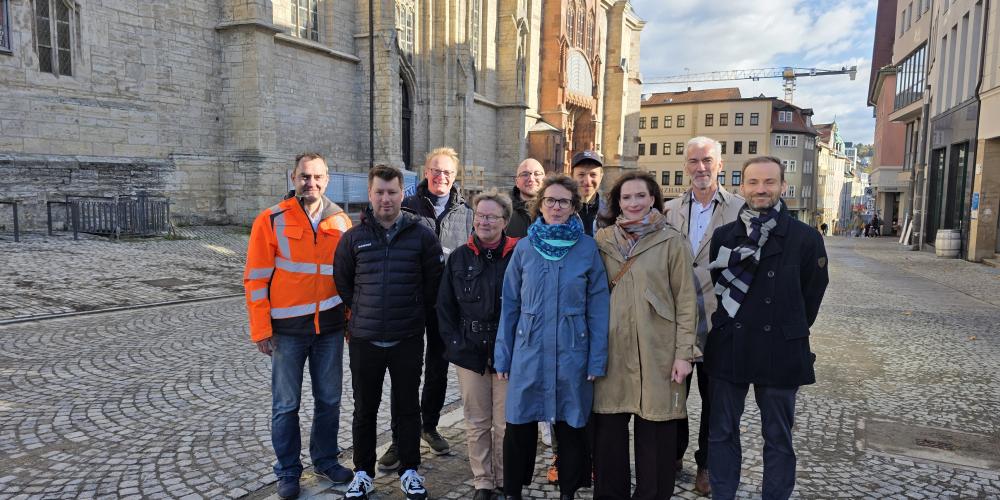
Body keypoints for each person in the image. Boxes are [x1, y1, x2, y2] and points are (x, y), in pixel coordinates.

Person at [706, 156, 829, 500]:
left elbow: (812, 293)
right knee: (721, 432)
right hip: (731, 343)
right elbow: (721, 287)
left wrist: (788, 330)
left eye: (769, 182)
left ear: (782, 187)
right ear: (741, 187)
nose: (761, 189)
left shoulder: (805, 238)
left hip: (781, 348)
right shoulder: (724, 236)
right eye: (754, 182)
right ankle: (722, 494)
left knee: (778, 436)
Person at [243, 153, 355, 499]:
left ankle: (324, 459)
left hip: (331, 330)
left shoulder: (341, 221)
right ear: (293, 178)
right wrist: (261, 329)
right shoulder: (271, 219)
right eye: (305, 176)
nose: (312, 183)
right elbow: (256, 278)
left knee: (330, 400)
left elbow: (349, 277)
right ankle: (288, 471)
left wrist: (350, 322)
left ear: (327, 180)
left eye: (318, 177)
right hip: (287, 331)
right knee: (286, 405)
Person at [495, 174, 610, 500]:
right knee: (518, 424)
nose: (556, 207)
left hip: (573, 351)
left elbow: (598, 307)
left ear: (574, 207)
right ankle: (513, 491)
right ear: (540, 204)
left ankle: (568, 492)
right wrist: (503, 354)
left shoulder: (588, 249)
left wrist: (597, 357)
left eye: (564, 201)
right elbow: (510, 304)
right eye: (550, 200)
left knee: (571, 426)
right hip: (529, 350)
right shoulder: (526, 248)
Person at [334, 165, 444, 500]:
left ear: (402, 194)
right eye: (379, 192)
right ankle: (363, 473)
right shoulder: (353, 238)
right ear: (370, 194)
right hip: (366, 339)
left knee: (408, 408)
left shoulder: (421, 235)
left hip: (407, 339)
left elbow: (432, 285)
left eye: (392, 192)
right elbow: (343, 283)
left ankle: (410, 469)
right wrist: (366, 311)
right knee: (364, 409)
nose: (386, 198)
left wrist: (410, 314)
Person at [592, 171, 699, 500]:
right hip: (613, 348)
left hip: (658, 350)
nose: (634, 202)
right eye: (626, 197)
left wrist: (684, 353)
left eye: (641, 196)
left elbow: (685, 301)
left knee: (656, 432)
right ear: (618, 202)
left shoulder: (672, 241)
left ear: (653, 198)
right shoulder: (603, 240)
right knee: (609, 434)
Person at [376, 147, 471, 468]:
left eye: (447, 172)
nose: (440, 176)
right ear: (426, 172)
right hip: (412, 301)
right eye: (435, 170)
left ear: (455, 177)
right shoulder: (407, 207)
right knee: (405, 373)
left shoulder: (466, 212)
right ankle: (400, 438)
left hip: (447, 305)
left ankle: (429, 426)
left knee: (438, 370)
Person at [663, 136, 745, 496]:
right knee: (672, 396)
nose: (700, 168)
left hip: (720, 322)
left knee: (714, 401)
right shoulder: (668, 210)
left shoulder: (740, 209)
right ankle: (672, 455)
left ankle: (707, 465)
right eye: (693, 161)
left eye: (707, 161)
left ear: (720, 164)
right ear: (685, 167)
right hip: (674, 322)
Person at [437, 189, 520, 500]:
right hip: (470, 352)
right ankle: (483, 482)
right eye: (480, 215)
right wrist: (455, 344)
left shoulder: (518, 254)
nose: (485, 221)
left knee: (506, 423)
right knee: (476, 422)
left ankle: (504, 480)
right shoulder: (459, 256)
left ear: (504, 221)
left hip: (507, 353)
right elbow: (444, 308)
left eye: (492, 216)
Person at [570, 150, 606, 236]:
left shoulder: (611, 212)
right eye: (581, 174)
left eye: (593, 174)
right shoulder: (562, 211)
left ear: (601, 177)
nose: (587, 181)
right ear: (572, 176)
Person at [507, 158, 545, 238]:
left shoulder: (555, 209)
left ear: (544, 179)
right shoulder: (504, 209)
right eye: (525, 174)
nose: (531, 179)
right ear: (517, 182)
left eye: (537, 174)